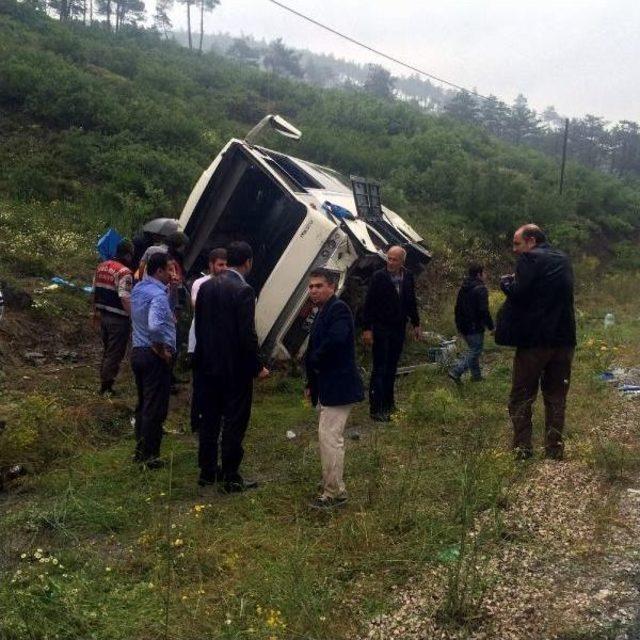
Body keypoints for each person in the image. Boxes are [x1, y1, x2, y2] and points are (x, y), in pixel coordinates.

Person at [194, 241, 269, 493]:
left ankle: (206, 471)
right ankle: (230, 475)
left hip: (207, 365)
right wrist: (257, 366)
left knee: (210, 419)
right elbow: (247, 335)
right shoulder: (243, 290)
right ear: (248, 262)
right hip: (234, 368)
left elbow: (200, 327)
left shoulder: (206, 287)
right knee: (235, 421)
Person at [497, 224, 576, 461]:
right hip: (564, 340)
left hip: (535, 341)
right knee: (556, 396)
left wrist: (506, 284)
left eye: (517, 243)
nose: (514, 249)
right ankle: (554, 450)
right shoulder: (563, 258)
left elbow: (520, 294)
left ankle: (522, 449)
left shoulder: (530, 259)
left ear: (531, 241)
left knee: (521, 396)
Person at [305, 268, 364, 509]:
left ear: (332, 287)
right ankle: (332, 487)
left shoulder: (338, 309)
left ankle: (335, 493)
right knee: (328, 436)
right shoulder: (322, 312)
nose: (314, 291)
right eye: (311, 287)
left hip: (339, 383)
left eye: (319, 286)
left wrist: (316, 361)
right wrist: (311, 382)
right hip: (328, 383)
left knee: (330, 438)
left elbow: (336, 341)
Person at [362, 245, 421, 421]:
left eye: (395, 259)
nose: (391, 262)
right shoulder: (379, 277)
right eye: (389, 258)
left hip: (399, 327)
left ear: (403, 261)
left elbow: (411, 301)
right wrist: (367, 329)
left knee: (392, 367)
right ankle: (376, 408)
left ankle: (389, 404)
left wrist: (416, 323)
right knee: (380, 367)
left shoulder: (408, 276)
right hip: (381, 327)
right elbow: (369, 304)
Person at [130, 252, 176, 468]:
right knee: (155, 407)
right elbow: (155, 326)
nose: (172, 274)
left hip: (138, 351)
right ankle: (150, 456)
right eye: (169, 269)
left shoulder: (139, 289)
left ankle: (140, 451)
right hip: (153, 355)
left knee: (143, 405)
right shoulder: (157, 295)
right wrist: (160, 350)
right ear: (159, 271)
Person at [188, 248, 227, 433]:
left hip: (219, 343)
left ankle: (215, 418)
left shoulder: (229, 283)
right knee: (199, 384)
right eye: (220, 264)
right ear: (211, 265)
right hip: (199, 342)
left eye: (226, 264)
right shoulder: (200, 283)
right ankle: (196, 421)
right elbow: (197, 306)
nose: (223, 268)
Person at [92, 240, 134, 397]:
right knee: (115, 353)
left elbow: (94, 290)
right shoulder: (125, 273)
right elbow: (125, 297)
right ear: (128, 255)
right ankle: (106, 387)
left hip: (103, 315)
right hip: (118, 318)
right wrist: (133, 316)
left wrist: (94, 312)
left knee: (107, 350)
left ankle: (104, 380)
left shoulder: (102, 266)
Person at [448, 263, 494, 383]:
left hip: (463, 325)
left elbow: (457, 308)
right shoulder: (481, 289)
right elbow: (484, 310)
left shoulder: (464, 287)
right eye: (484, 272)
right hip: (474, 326)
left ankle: (476, 377)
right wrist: (491, 327)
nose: (486, 275)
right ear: (479, 274)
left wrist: (458, 325)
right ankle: (457, 371)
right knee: (476, 350)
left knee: (473, 349)